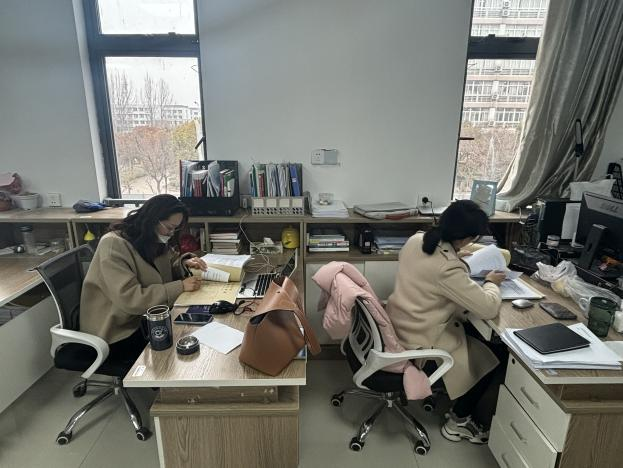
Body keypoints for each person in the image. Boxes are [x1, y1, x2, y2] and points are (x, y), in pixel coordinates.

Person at [386, 200, 507, 444]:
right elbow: (488, 307)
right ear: (466, 238)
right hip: (421, 340)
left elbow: (429, 268)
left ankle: (450, 390)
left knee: (474, 332)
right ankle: (458, 420)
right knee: (497, 352)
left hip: (400, 324)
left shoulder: (415, 240)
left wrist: (455, 256)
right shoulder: (448, 268)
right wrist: (491, 282)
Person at [80, 194, 206, 364]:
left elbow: (164, 267)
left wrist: (184, 263)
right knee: (176, 356)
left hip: (148, 317)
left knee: (193, 333)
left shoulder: (150, 238)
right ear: (153, 219)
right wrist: (180, 286)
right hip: (118, 330)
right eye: (169, 227)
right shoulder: (113, 245)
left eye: (175, 229)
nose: (171, 233)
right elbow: (132, 299)